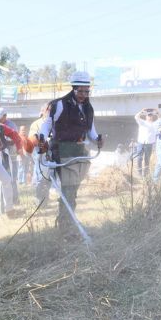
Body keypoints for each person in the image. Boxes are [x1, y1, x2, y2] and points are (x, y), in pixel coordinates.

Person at [37, 71, 103, 233]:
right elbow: (47, 124)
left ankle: (67, 222)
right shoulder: (59, 104)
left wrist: (97, 139)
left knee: (73, 189)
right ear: (73, 89)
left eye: (86, 91)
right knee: (68, 190)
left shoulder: (88, 108)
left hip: (80, 151)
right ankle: (66, 226)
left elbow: (91, 130)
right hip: (62, 150)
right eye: (80, 91)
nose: (83, 95)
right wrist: (42, 138)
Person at [29, 103, 52, 205]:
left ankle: (45, 199)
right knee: (41, 177)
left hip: (51, 153)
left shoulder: (53, 122)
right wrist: (42, 144)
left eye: (51, 110)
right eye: (47, 110)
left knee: (48, 178)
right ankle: (39, 200)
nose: (49, 111)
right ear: (42, 111)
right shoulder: (36, 124)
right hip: (40, 153)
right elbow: (33, 138)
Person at [133, 108, 158, 177]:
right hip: (141, 143)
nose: (149, 117)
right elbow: (136, 117)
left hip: (149, 144)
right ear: (146, 116)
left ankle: (146, 174)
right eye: (148, 116)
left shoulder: (155, 124)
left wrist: (157, 112)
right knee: (139, 158)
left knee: (147, 159)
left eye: (151, 116)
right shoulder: (142, 122)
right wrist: (141, 111)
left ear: (152, 117)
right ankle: (139, 173)